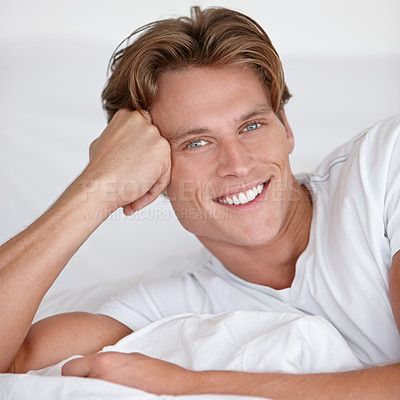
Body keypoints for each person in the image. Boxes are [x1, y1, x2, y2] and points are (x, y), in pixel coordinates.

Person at [0, 5, 399, 398]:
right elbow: (11, 363)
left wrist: (189, 384)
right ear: (152, 173)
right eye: (197, 142)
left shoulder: (382, 170)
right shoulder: (170, 302)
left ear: (286, 127)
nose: (238, 164)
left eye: (252, 125)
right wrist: (96, 185)